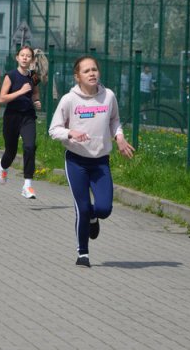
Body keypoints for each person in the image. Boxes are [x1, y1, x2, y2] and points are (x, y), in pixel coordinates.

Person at [49, 56, 134, 268]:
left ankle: (94, 219)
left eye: (94, 69)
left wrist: (119, 136)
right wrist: (70, 133)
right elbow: (53, 130)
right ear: (77, 76)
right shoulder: (69, 100)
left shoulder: (108, 96)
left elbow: (114, 120)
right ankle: (83, 253)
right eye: (86, 71)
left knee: (104, 209)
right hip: (76, 162)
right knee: (82, 207)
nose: (92, 74)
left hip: (100, 162)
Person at [0, 45, 41, 199]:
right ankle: (3, 165)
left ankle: (27, 185)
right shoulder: (11, 76)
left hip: (28, 116)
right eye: (22, 55)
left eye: (28, 56)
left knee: (29, 146)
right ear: (17, 57)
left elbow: (35, 93)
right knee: (11, 152)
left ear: (32, 60)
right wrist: (20, 92)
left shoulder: (34, 77)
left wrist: (36, 101)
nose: (25, 58)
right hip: (12, 117)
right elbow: (2, 99)